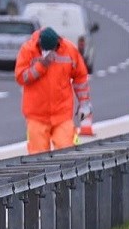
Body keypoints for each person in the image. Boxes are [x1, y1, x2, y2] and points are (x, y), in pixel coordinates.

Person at [14, 26, 92, 154]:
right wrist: (41, 66)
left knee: (66, 152)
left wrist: (84, 103)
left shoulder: (69, 50)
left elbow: (80, 77)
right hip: (36, 116)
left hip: (62, 114)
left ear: (58, 44)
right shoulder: (28, 50)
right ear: (39, 44)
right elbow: (21, 77)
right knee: (37, 157)